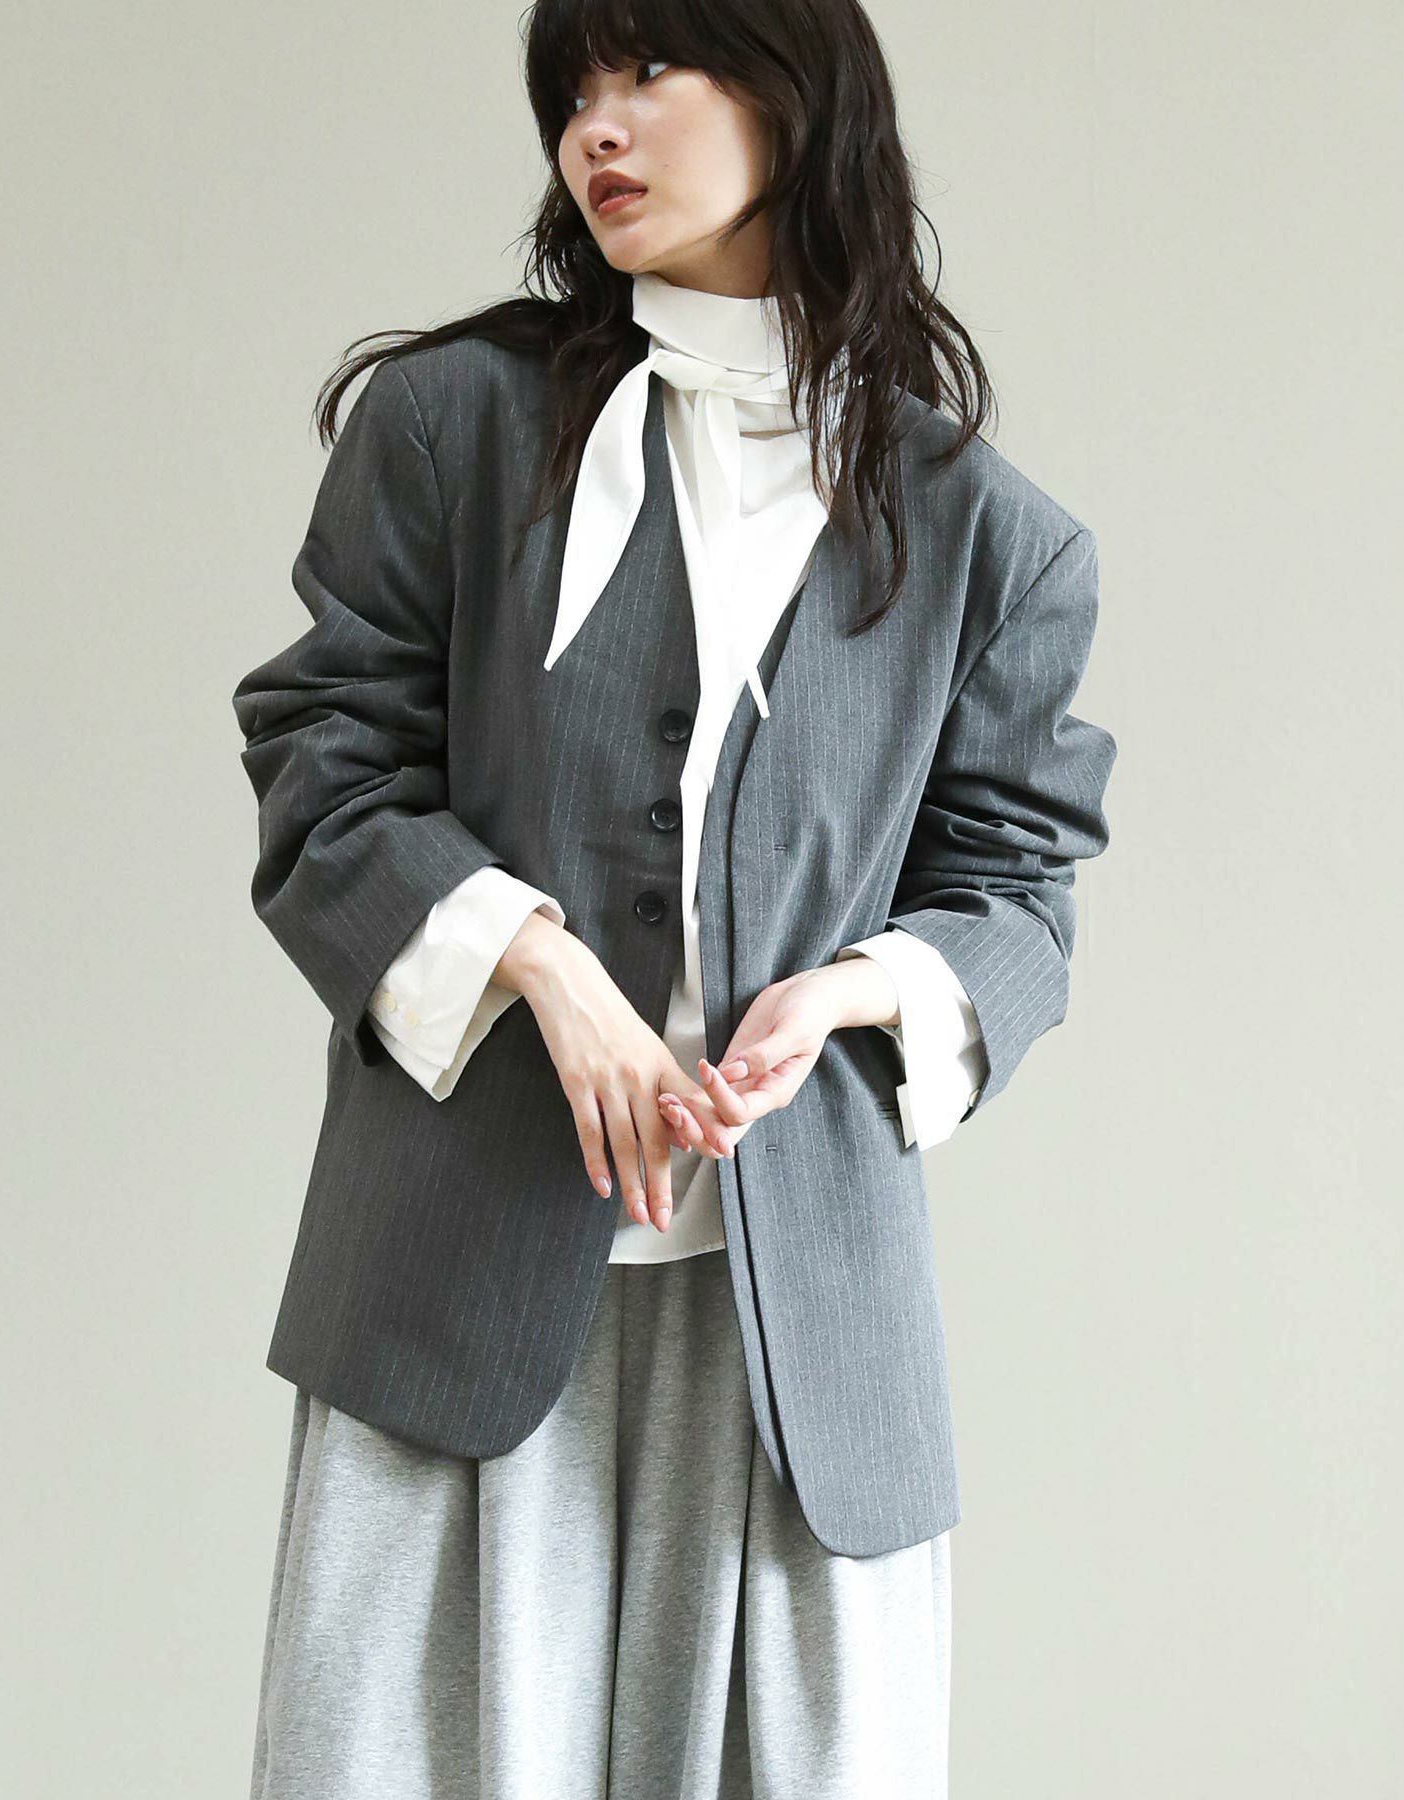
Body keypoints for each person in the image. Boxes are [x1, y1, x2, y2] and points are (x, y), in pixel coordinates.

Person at [232, 4, 1118, 1795]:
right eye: (573, 88)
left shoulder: (986, 533)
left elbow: (1019, 890)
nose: (596, 127)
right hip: (457, 1288)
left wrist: (854, 994)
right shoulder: (456, 429)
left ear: (797, 93)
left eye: (648, 71)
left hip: (803, 1336)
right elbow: (324, 762)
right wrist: (542, 970)